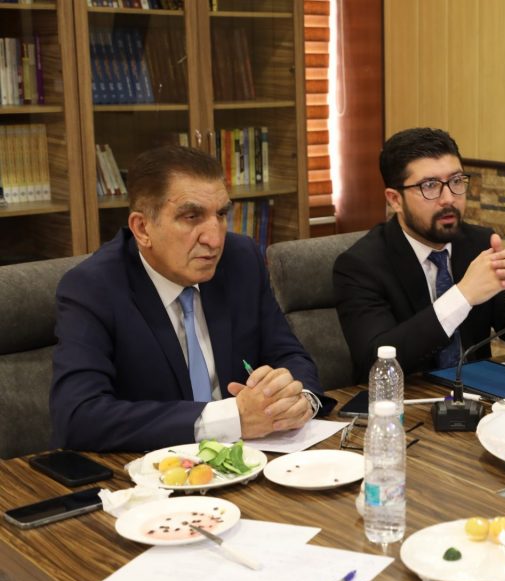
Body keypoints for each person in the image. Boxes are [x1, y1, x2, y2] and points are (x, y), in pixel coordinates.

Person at [50, 145, 331, 452]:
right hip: (154, 469)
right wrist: (230, 419)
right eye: (191, 216)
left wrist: (299, 399)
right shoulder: (93, 288)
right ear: (142, 228)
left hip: (251, 458)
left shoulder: (240, 259)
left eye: (221, 214)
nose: (214, 238)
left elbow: (289, 355)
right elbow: (78, 416)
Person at [334, 127, 505, 379]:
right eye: (430, 186)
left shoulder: (478, 244)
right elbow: (376, 363)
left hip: (477, 392)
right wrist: (463, 295)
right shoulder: (360, 266)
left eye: (456, 181)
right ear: (395, 200)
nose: (448, 198)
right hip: (407, 398)